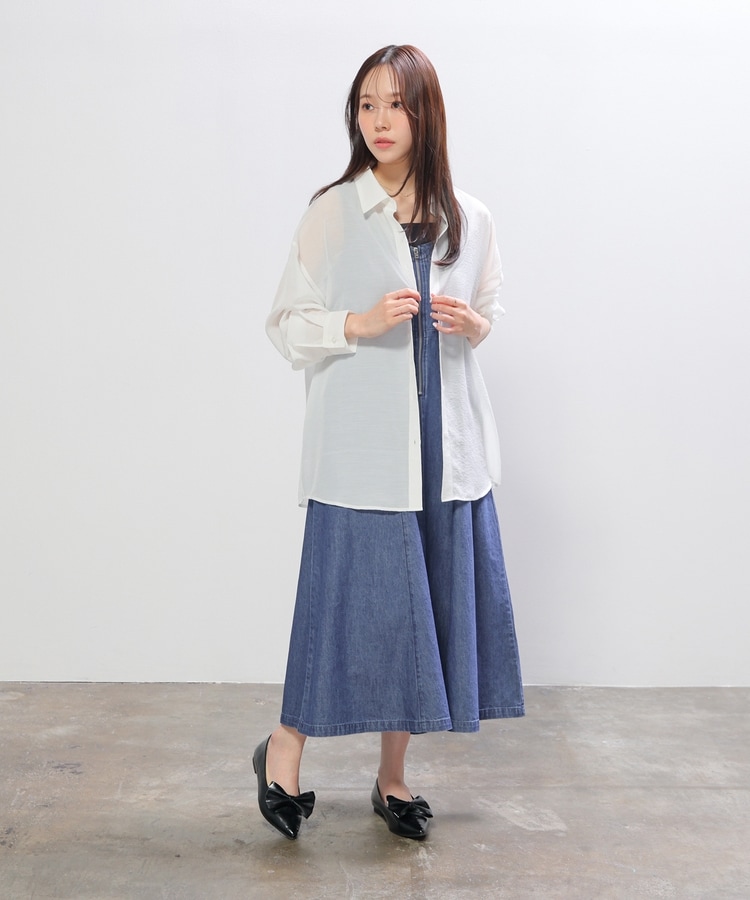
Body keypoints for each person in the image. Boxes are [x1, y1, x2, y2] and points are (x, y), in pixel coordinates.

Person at [256, 44, 524, 842]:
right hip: (362, 447)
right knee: (338, 600)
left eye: (395, 104)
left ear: (424, 113)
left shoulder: (470, 218)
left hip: (445, 445)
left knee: (421, 610)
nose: (379, 120)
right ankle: (283, 750)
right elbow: (285, 323)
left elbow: (490, 310)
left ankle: (393, 776)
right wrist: (358, 323)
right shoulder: (333, 212)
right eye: (366, 104)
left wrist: (473, 325)